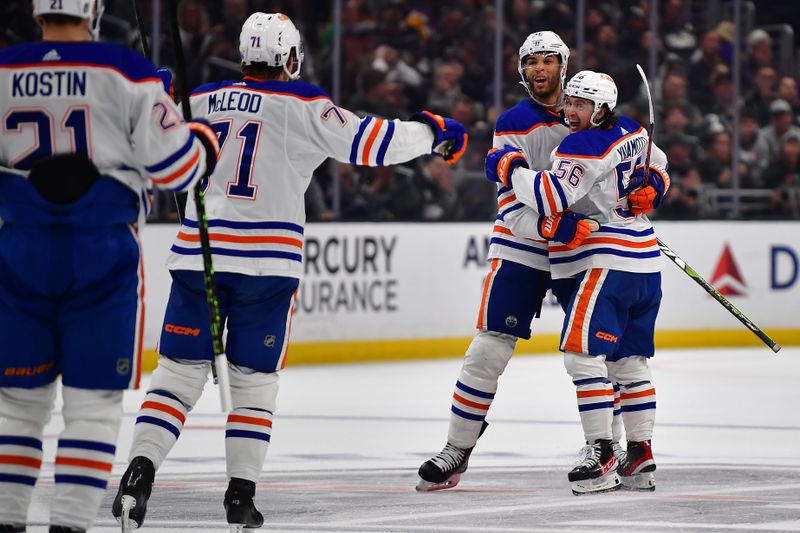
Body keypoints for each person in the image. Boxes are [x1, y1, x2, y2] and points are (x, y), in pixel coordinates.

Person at [112, 11, 468, 531]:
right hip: (266, 268)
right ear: (290, 58)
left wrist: (155, 100)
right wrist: (431, 132)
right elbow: (371, 141)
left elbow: (149, 144)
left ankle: (138, 476)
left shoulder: (202, 98)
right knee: (255, 383)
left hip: (198, 257)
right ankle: (240, 496)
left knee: (176, 379)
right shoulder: (304, 104)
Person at [0, 1, 219, 531]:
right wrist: (199, 139)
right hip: (101, 253)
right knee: (92, 406)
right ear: (91, 9)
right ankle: (69, 525)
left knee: (16, 405)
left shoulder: (4, 70)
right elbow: (178, 169)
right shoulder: (127, 71)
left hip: (19, 250)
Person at [417, 31, 604, 492]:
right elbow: (508, 200)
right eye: (531, 62)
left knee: (595, 354)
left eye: (547, 60)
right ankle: (457, 447)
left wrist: (651, 184)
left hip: (581, 246)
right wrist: (546, 226)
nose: (539, 69)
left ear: (564, 63)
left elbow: (637, 161)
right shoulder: (513, 121)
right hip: (523, 244)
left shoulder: (595, 110)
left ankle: (605, 449)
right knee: (487, 350)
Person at [486, 70, 670, 495]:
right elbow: (658, 164)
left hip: (607, 262)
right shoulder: (633, 129)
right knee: (627, 363)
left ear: (601, 108)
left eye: (580, 105)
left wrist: (509, 169)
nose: (570, 111)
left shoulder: (582, 145)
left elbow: (551, 197)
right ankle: (639, 455)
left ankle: (602, 450)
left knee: (581, 355)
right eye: (568, 102)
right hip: (644, 262)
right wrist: (655, 186)